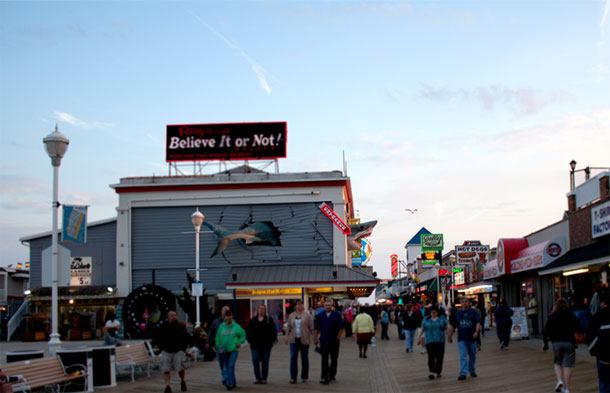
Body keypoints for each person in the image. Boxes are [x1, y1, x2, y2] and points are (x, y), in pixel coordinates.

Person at [543, 298, 581, 393]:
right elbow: (578, 326)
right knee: (568, 365)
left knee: (557, 362)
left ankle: (560, 381)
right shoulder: (570, 315)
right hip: (569, 343)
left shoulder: (552, 316)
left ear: (555, 306)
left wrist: (545, 344)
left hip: (556, 343)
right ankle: (567, 389)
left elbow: (545, 331)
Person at [154, 311, 192, 393]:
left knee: (180, 368)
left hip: (178, 351)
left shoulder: (180, 326)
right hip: (166, 351)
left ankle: (182, 381)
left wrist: (184, 349)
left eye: (175, 315)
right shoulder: (163, 326)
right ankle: (167, 386)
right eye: (172, 315)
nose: (174, 317)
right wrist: (160, 349)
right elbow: (159, 338)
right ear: (168, 317)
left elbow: (186, 337)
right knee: (166, 369)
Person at [448, 297, 481, 381]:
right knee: (463, 355)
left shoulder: (474, 312)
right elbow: (453, 325)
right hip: (462, 338)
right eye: (463, 302)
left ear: (469, 303)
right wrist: (450, 336)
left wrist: (476, 332)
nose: (465, 303)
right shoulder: (458, 313)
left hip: (472, 337)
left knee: (472, 355)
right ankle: (463, 373)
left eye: (466, 301)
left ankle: (472, 370)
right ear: (460, 303)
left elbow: (477, 323)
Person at [246, 304, 277, 384]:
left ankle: (264, 378)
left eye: (263, 309)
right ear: (257, 310)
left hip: (266, 345)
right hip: (255, 345)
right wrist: (249, 340)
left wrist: (273, 340)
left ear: (265, 310)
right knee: (255, 360)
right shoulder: (253, 320)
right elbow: (248, 331)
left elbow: (273, 331)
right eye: (260, 309)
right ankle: (257, 378)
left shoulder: (269, 320)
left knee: (265, 362)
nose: (261, 310)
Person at [285, 300, 315, 384]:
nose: (299, 306)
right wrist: (286, 336)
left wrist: (314, 338)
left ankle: (304, 376)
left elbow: (312, 327)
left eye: (300, 304)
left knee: (304, 359)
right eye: (297, 305)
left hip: (304, 339)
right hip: (294, 340)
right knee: (293, 358)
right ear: (295, 306)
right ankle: (293, 377)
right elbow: (288, 327)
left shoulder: (308, 315)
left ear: (303, 306)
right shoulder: (291, 315)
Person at [215, 310, 246, 391]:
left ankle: (229, 383)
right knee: (226, 366)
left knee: (230, 366)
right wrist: (218, 346)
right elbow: (217, 337)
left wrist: (239, 342)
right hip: (223, 350)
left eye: (230, 316)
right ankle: (233, 382)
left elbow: (243, 335)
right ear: (225, 317)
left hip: (233, 349)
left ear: (232, 316)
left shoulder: (236, 326)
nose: (228, 318)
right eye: (227, 316)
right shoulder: (221, 327)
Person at [314, 300, 343, 384]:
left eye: (329, 305)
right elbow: (317, 328)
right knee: (324, 360)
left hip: (334, 341)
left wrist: (338, 337)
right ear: (324, 306)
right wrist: (315, 338)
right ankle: (324, 376)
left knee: (334, 359)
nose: (327, 306)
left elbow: (341, 327)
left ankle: (332, 374)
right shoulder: (320, 316)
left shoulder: (337, 315)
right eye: (326, 305)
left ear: (331, 306)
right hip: (324, 341)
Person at [587, 290, 609, 393]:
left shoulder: (597, 317)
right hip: (603, 357)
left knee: (604, 384)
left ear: (603, 303)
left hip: (603, 358)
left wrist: (594, 352)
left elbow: (590, 338)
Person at [418, 305, 447, 379]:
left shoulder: (442, 318)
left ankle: (438, 372)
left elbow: (446, 327)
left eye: (435, 312)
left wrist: (449, 335)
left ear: (437, 312)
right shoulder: (426, 319)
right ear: (430, 312)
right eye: (432, 312)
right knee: (431, 357)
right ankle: (432, 372)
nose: (433, 313)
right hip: (429, 341)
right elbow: (422, 328)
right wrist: (419, 338)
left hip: (440, 341)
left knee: (439, 357)